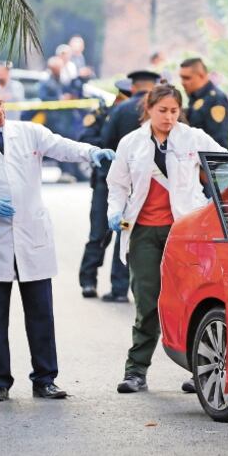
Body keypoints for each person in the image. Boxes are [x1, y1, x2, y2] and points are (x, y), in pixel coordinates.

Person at [0, 83, 115, 402]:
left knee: (41, 314)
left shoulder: (28, 132)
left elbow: (62, 146)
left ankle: (45, 378)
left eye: (1, 104)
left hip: (32, 236)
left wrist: (91, 152)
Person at [106, 84, 225, 395]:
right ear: (149, 109)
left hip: (186, 232)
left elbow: (225, 166)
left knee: (191, 301)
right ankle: (135, 371)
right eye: (163, 111)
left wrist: (213, 207)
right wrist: (115, 212)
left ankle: (197, 370)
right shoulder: (131, 143)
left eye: (174, 111)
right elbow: (117, 185)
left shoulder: (193, 137)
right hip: (144, 230)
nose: (169, 117)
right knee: (147, 302)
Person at [78, 79, 131, 302]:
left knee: (125, 234)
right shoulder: (103, 113)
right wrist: (108, 147)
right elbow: (86, 138)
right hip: (104, 183)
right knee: (99, 233)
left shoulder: (143, 117)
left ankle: (119, 289)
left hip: (131, 187)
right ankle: (88, 280)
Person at [101, 69, 160, 153]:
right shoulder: (164, 107)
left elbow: (107, 140)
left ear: (132, 88)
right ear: (155, 88)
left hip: (125, 161)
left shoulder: (120, 108)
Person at [179, 58, 228, 149]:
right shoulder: (196, 98)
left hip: (207, 161)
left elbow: (218, 141)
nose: (183, 82)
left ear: (202, 76)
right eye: (181, 78)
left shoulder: (216, 99)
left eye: (187, 78)